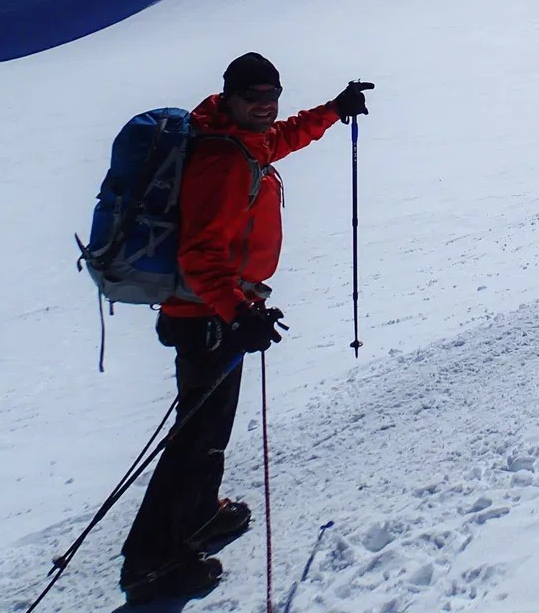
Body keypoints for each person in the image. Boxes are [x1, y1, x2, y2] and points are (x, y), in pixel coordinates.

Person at [119, 53, 372, 604]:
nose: (265, 103)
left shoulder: (240, 140)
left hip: (218, 314)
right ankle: (152, 561)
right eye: (254, 93)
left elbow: (280, 139)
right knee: (195, 439)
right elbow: (200, 254)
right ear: (229, 95)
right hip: (209, 317)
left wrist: (333, 110)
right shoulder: (224, 161)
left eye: (272, 93)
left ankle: (201, 515)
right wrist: (237, 312)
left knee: (205, 431)